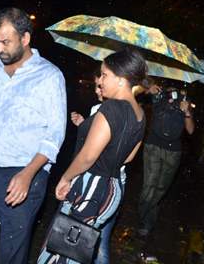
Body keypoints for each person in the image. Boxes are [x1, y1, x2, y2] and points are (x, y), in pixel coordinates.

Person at [0, 7, 67, 264]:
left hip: (25, 172)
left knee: (11, 254)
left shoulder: (50, 76)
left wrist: (27, 175)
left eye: (6, 41)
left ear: (25, 38)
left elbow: (55, 135)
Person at [38, 49, 147, 264]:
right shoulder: (140, 113)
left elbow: (88, 156)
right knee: (78, 249)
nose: (101, 80)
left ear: (122, 79)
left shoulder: (111, 108)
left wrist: (66, 178)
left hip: (91, 186)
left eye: (105, 75)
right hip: (112, 188)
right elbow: (129, 157)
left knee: (62, 252)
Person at [70, 68, 126, 264]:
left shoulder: (120, 113)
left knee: (98, 242)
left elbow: (97, 152)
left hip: (104, 185)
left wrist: (66, 177)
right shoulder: (96, 110)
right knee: (76, 236)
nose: (97, 90)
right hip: (87, 180)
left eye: (101, 85)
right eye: (95, 86)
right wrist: (83, 124)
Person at [137, 83, 195, 238]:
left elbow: (190, 130)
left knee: (161, 188)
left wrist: (187, 112)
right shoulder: (158, 95)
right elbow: (135, 94)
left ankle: (146, 216)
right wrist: (147, 90)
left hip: (173, 152)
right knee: (149, 186)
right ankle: (145, 220)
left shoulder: (184, 100)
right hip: (153, 146)